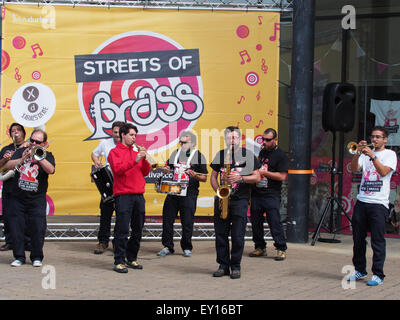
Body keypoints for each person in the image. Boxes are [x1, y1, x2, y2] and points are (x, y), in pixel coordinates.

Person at [347, 126, 397, 286]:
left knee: (377, 240)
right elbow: (354, 169)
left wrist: (373, 156)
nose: (374, 139)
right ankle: (360, 270)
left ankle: (378, 274)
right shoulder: (364, 153)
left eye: (377, 137)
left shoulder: (390, 154)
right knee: (358, 239)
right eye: (372, 136)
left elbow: (383, 172)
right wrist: (357, 153)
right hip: (362, 201)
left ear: (385, 139)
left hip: (379, 203)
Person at [210, 126, 261, 279]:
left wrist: (241, 178)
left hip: (240, 200)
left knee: (238, 236)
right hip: (223, 200)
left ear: (240, 138)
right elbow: (213, 176)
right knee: (220, 235)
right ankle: (223, 265)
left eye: (234, 138)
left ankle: (236, 266)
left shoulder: (248, 155)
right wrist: (219, 192)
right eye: (229, 138)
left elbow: (257, 177)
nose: (232, 140)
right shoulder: (220, 155)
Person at [4, 129, 55, 267]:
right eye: (32, 140)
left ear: (44, 144)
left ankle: (36, 256)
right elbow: (5, 166)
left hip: (37, 199)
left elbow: (51, 170)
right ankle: (19, 257)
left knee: (38, 228)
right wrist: (22, 158)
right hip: (18, 198)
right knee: (17, 228)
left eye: (37, 142)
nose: (33, 143)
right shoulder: (21, 151)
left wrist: (40, 157)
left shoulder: (47, 155)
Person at [108, 123, 151, 273]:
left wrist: (144, 159)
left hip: (139, 195)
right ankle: (119, 261)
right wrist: (136, 159)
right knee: (122, 229)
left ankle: (131, 258)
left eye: (135, 135)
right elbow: (118, 170)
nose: (134, 138)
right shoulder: (114, 152)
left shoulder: (135, 153)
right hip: (124, 195)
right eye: (131, 135)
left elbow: (145, 172)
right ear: (123, 135)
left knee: (138, 229)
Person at [157, 131, 208, 258]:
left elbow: (204, 178)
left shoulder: (199, 156)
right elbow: (168, 168)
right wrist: (165, 169)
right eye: (180, 141)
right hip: (173, 192)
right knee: (167, 219)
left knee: (187, 222)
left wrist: (195, 176)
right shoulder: (176, 153)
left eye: (185, 142)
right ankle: (168, 246)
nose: (182, 144)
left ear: (193, 143)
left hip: (189, 193)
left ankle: (186, 247)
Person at [249, 128, 288, 261]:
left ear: (275, 140)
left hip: (271, 193)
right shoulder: (262, 152)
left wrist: (265, 173)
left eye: (268, 140)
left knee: (274, 221)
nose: (265, 142)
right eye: (263, 139)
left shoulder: (281, 155)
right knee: (256, 222)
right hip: (257, 193)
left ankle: (281, 248)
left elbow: (282, 176)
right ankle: (260, 247)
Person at [91, 121, 125, 254]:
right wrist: (96, 161)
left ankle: (118, 243)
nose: (117, 135)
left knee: (122, 216)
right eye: (114, 132)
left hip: (123, 184)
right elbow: (94, 153)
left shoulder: (129, 145)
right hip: (108, 184)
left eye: (119, 132)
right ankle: (102, 242)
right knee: (105, 214)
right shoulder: (105, 143)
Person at [0, 123, 29, 252]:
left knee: (26, 216)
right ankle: (9, 241)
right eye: (13, 131)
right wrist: (5, 160)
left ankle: (27, 242)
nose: (15, 132)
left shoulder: (29, 147)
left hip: (24, 186)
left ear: (23, 133)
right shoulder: (6, 149)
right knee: (8, 214)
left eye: (18, 130)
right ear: (10, 134)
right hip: (9, 186)